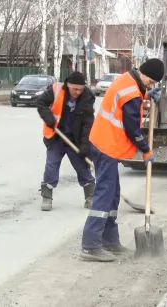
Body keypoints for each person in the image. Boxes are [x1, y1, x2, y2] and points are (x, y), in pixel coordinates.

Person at [80, 58, 164, 262]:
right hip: (107, 145)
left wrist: (146, 94)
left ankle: (110, 241)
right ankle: (90, 246)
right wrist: (145, 149)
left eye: (153, 84)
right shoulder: (132, 93)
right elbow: (132, 129)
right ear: (143, 73)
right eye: (150, 82)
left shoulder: (128, 81)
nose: (150, 85)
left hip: (104, 142)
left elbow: (133, 95)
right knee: (105, 193)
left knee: (113, 194)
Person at [36, 72, 96, 211]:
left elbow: (88, 123)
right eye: (75, 89)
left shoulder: (87, 97)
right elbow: (41, 103)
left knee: (83, 167)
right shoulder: (56, 89)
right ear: (68, 85)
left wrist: (85, 145)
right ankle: (47, 197)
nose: (77, 92)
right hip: (56, 137)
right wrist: (49, 118)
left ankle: (90, 197)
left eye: (80, 89)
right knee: (51, 166)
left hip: (75, 139)